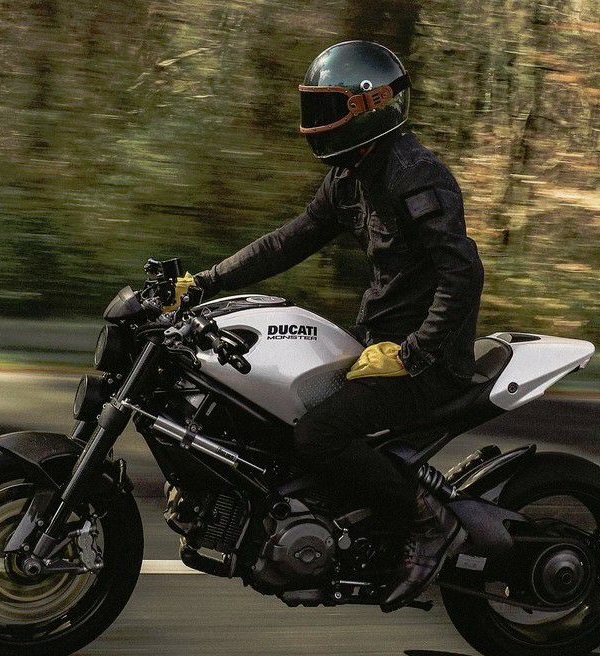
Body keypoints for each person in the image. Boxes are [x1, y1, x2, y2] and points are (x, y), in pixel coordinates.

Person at [191, 40, 484, 608]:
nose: (316, 121)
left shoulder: (414, 174)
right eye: (314, 107)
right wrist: (205, 281)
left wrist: (414, 353)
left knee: (319, 434)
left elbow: (462, 275)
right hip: (378, 346)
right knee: (273, 413)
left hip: (429, 362)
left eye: (328, 108)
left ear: (370, 106)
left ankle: (429, 524)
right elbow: (287, 242)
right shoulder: (351, 175)